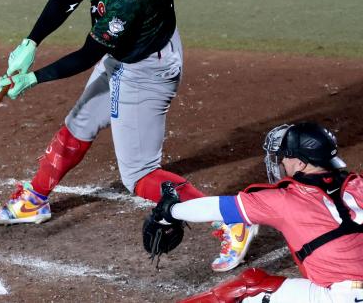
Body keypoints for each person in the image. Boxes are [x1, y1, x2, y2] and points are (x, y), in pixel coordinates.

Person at [0, 0, 255, 271]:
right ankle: (35, 200)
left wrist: (34, 78)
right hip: (134, 50)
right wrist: (32, 42)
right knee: (79, 124)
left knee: (141, 176)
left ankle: (231, 219)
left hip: (145, 70)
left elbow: (86, 55)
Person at [151, 122, 363, 302]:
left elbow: (216, 208)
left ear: (300, 163)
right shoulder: (358, 184)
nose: (282, 161)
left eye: (286, 157)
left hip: (343, 296)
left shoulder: (282, 200)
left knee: (248, 289)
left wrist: (171, 210)